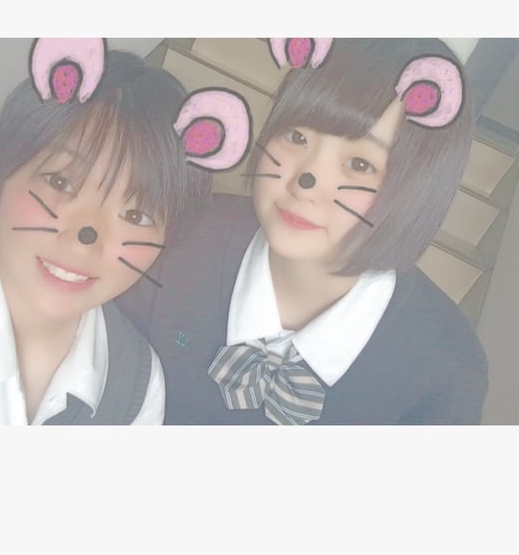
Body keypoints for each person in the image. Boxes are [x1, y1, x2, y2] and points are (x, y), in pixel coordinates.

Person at [116, 37, 489, 424]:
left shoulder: (444, 372)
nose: (306, 182)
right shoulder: (179, 237)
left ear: (417, 189)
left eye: (359, 164)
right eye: (297, 137)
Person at [0, 38, 251, 425]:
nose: (85, 238)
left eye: (136, 214)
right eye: (60, 182)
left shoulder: (138, 388)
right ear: (3, 172)